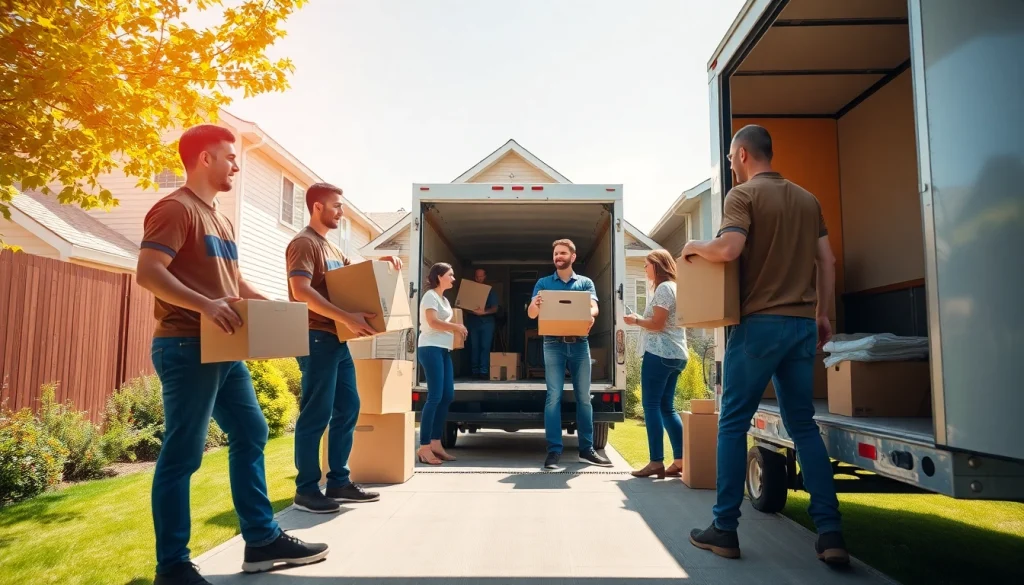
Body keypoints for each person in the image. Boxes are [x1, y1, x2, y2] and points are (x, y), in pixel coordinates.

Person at [136, 124, 328, 584]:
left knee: (251, 430)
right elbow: (147, 271)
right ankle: (173, 566)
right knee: (183, 453)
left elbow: (232, 284)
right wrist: (203, 304)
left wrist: (276, 308)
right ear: (205, 159)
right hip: (186, 344)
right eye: (230, 156)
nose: (237, 165)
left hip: (224, 345)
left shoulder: (219, 217)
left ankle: (261, 539)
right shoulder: (174, 209)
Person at [682, 124, 847, 565]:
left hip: (759, 327)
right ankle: (830, 535)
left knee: (733, 424)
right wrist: (823, 314)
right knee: (803, 426)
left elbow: (730, 248)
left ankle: (724, 528)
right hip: (800, 327)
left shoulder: (744, 196)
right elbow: (827, 261)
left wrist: (695, 245)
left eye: (733, 159)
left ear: (740, 155)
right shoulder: (808, 199)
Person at [285, 182, 403, 514]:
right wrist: (347, 318)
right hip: (316, 338)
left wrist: (384, 260)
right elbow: (300, 291)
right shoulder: (304, 243)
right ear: (317, 207)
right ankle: (306, 489)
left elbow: (356, 275)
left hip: (336, 341)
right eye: (336, 206)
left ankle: (338, 481)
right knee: (315, 414)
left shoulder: (332, 249)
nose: (341, 211)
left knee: (348, 408)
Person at [527, 238, 613, 471]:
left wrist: (592, 315)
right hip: (552, 344)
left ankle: (586, 450)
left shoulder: (585, 283)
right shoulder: (544, 283)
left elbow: (594, 306)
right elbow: (532, 314)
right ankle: (554, 451)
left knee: (584, 397)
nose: (558, 257)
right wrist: (535, 303)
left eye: (563, 253)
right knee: (553, 397)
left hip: (579, 344)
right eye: (555, 253)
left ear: (572, 257)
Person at [623, 249, 687, 479]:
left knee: (651, 406)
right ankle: (680, 460)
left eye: (647, 265)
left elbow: (658, 324)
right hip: (676, 354)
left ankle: (656, 462)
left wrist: (636, 320)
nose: (644, 269)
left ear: (657, 266)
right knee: (666, 408)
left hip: (659, 354)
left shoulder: (663, 288)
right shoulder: (676, 287)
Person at [416, 262, 467, 465]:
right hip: (430, 348)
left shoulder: (444, 299)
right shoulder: (429, 296)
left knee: (447, 396)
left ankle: (436, 443)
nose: (453, 278)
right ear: (439, 277)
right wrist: (456, 326)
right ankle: (424, 446)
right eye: (450, 275)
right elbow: (432, 322)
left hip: (443, 350)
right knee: (435, 396)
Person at [464, 267, 500, 380]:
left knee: (485, 346)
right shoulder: (470, 291)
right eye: (477, 276)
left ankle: (483, 371)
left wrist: (483, 312)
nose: (479, 278)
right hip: (473, 322)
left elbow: (495, 308)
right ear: (475, 277)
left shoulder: (490, 291)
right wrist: (472, 311)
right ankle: (475, 371)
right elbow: (464, 305)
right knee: (474, 346)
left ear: (485, 277)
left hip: (487, 323)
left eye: (481, 276)